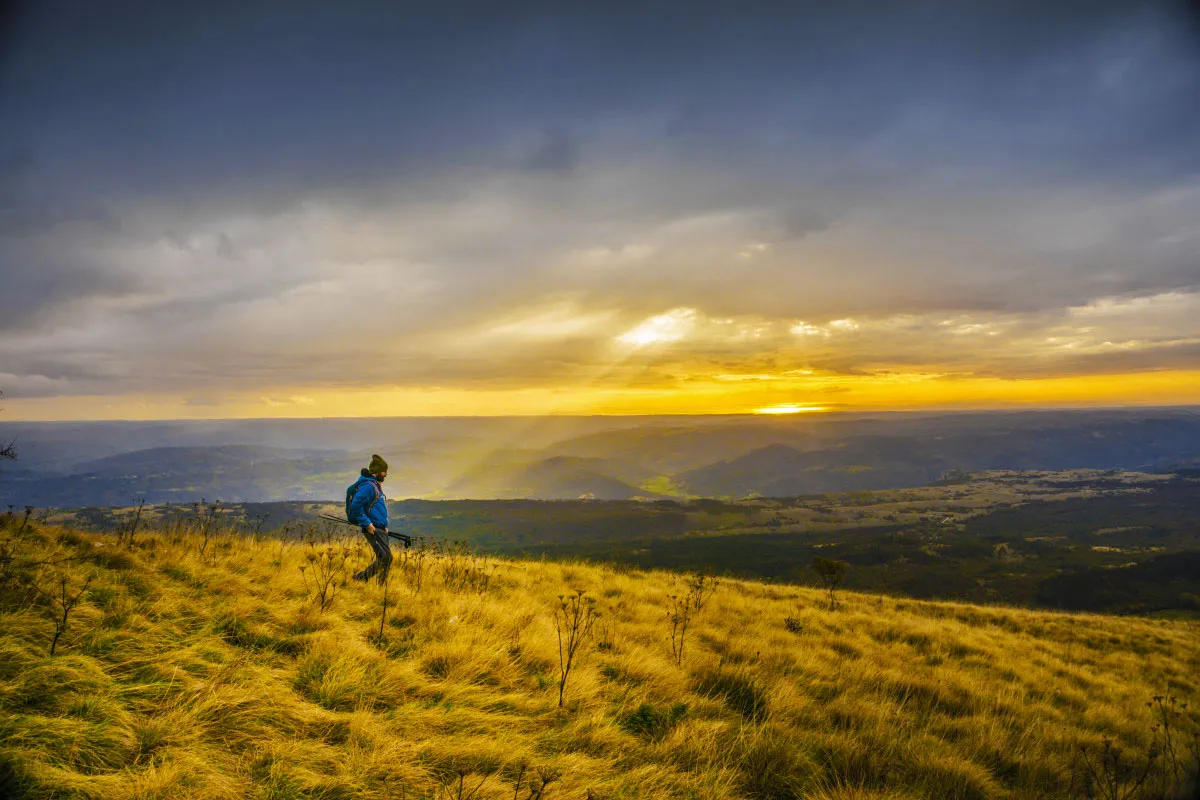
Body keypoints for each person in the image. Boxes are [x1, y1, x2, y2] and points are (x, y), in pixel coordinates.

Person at [349, 454, 393, 582]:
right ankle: (361, 579)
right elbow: (356, 505)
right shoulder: (368, 485)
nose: (386, 475)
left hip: (379, 527)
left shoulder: (374, 484)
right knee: (385, 558)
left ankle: (381, 586)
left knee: (387, 558)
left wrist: (383, 526)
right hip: (372, 527)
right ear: (377, 472)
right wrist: (367, 524)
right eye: (385, 472)